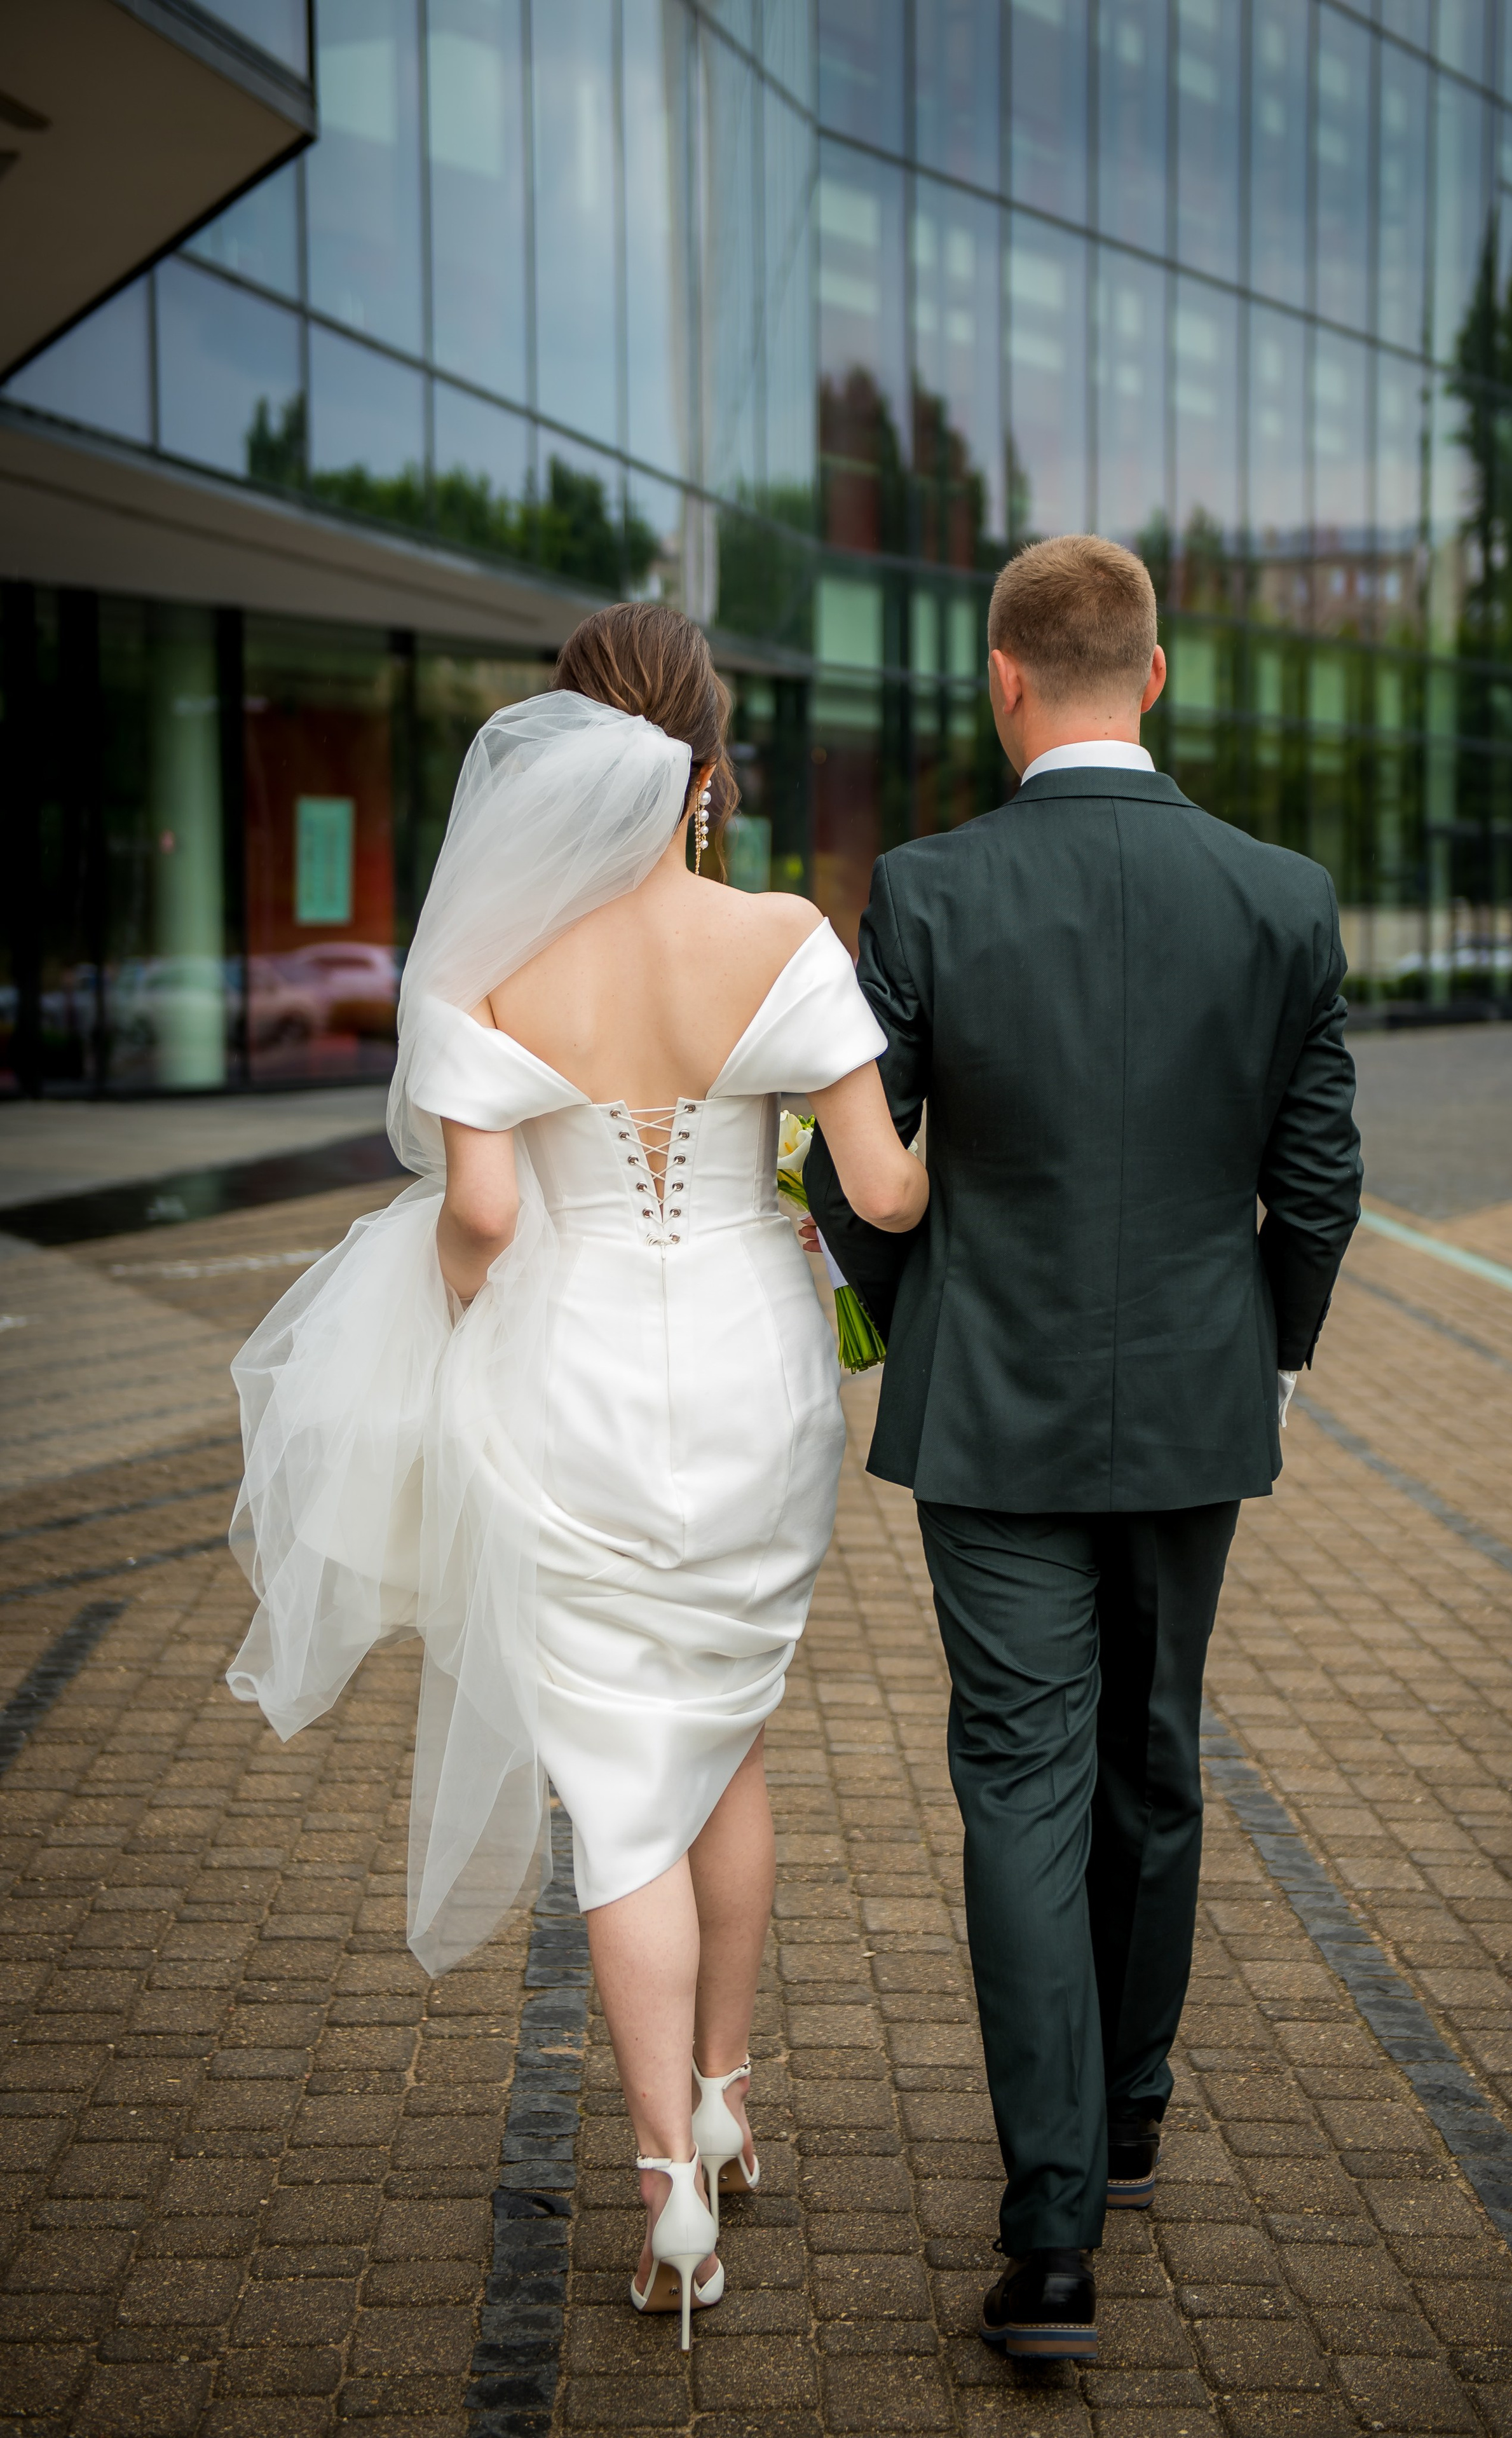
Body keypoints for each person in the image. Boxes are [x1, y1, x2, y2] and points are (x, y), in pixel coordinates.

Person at [226, 603, 927, 2348]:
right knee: (730, 1730)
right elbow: (891, 1194)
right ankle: (728, 2102)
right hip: (758, 1380)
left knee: (618, 1778)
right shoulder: (781, 935)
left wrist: (463, 1317)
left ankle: (665, 2195)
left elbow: (477, 1216)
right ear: (705, 772)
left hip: (578, 1370)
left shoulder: (490, 969)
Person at [806, 534, 1363, 2362]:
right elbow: (1321, 1178)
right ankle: (1128, 2108)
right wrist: (1262, 1363)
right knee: (1155, 1745)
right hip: (1200, 1401)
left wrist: (901, 1315)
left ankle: (1050, 2246)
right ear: (1162, 672)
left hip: (988, 1411)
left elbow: (853, 1164)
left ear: (1003, 678)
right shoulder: (1282, 897)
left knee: (1021, 1780)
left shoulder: (928, 891)